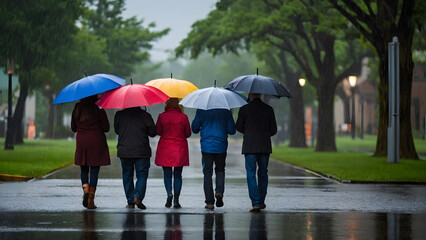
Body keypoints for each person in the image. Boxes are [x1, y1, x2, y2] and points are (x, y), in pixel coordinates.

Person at [236, 93, 277, 212]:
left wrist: (248, 131)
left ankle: (255, 202)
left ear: (250, 94)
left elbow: (238, 127)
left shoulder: (244, 109)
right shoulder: (268, 109)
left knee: (251, 173)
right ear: (260, 94)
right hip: (264, 145)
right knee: (263, 173)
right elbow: (273, 129)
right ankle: (262, 200)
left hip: (250, 145)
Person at [71, 95, 110, 209]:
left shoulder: (78, 107)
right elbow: (106, 127)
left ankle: (86, 189)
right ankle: (91, 198)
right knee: (94, 170)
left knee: (84, 167)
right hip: (96, 140)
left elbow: (73, 127)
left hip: (82, 140)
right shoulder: (98, 107)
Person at [191, 109, 236, 210]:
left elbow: (194, 129)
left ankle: (210, 202)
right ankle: (219, 192)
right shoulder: (225, 111)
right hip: (221, 145)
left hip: (206, 146)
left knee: (207, 173)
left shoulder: (201, 110)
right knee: (220, 170)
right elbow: (232, 130)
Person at [114, 106, 156, 210]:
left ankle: (130, 201)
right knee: (142, 174)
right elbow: (153, 133)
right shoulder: (145, 115)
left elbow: (117, 131)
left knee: (127, 175)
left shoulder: (119, 115)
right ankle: (138, 197)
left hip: (125, 150)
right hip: (141, 150)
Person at [155, 98, 191, 208]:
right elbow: (188, 133)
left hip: (165, 148)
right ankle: (176, 199)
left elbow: (158, 131)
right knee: (178, 175)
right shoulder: (183, 117)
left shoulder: (162, 116)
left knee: (167, 174)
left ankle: (169, 193)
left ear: (167, 104)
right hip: (179, 148)